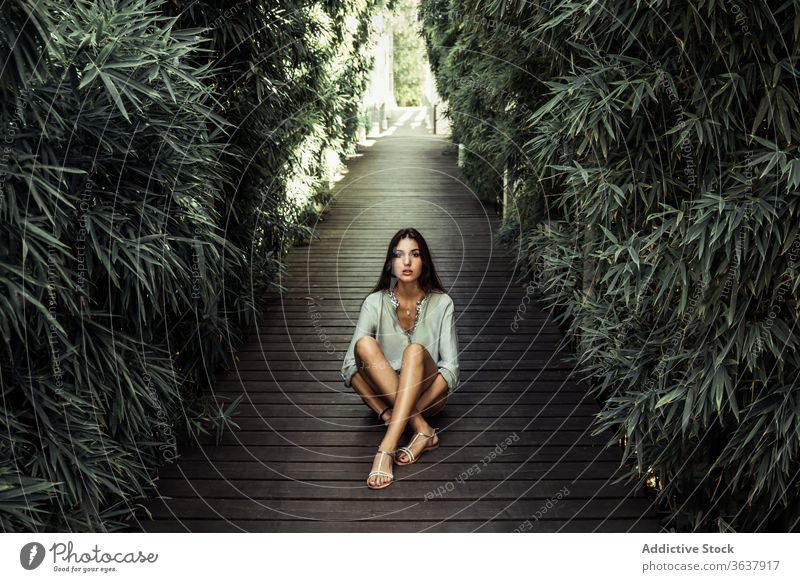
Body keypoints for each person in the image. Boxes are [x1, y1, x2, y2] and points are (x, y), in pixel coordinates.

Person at [340, 228, 460, 489]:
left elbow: (451, 370)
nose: (406, 262)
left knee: (414, 351)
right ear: (390, 263)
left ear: (424, 261)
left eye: (414, 255)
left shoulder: (443, 303)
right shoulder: (374, 303)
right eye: (399, 255)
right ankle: (423, 430)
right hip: (387, 398)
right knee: (364, 345)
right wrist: (385, 411)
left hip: (429, 396)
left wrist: (400, 415)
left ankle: (386, 448)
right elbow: (349, 367)